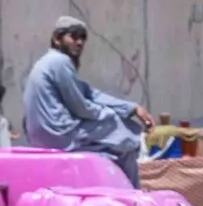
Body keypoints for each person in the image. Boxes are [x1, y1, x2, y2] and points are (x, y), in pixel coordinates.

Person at [19, 18, 152, 184]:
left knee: (114, 149)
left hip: (42, 137)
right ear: (57, 38)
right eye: (74, 37)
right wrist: (108, 113)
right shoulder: (60, 61)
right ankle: (135, 190)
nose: (79, 42)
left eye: (82, 38)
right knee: (121, 127)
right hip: (60, 134)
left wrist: (131, 108)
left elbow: (90, 93)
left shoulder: (48, 62)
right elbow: (80, 106)